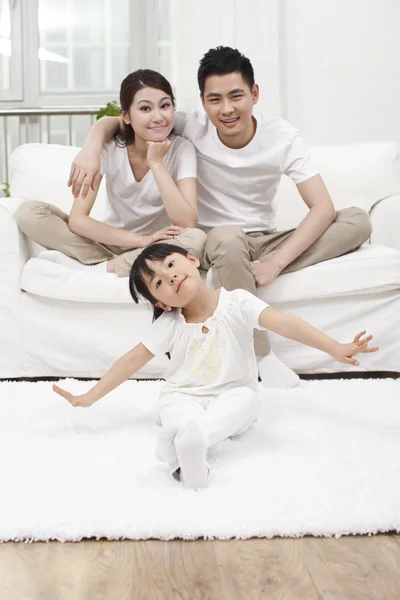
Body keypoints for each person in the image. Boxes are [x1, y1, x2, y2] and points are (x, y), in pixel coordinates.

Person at [65, 46, 372, 388]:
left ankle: (244, 268)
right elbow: (121, 119)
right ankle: (260, 357)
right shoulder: (188, 125)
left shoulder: (282, 136)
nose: (226, 109)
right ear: (202, 101)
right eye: (215, 99)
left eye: (236, 96)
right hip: (212, 241)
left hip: (263, 239)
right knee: (225, 235)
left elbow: (323, 208)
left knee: (357, 220)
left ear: (254, 94)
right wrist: (91, 148)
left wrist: (276, 262)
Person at [53, 243, 378, 491]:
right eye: (159, 284)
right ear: (162, 303)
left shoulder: (237, 302)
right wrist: (90, 396)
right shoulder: (169, 323)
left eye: (170, 265)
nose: (170, 277)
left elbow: (283, 323)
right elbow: (131, 360)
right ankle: (188, 446)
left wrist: (334, 347)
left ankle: (193, 441)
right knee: (178, 413)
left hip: (232, 392)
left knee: (245, 402)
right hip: (182, 394)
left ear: (192, 260)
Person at [14, 70, 206, 277]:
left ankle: (102, 266)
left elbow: (186, 223)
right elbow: (78, 220)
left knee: (195, 239)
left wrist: (156, 163)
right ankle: (117, 264)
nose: (158, 116)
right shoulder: (110, 148)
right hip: (114, 241)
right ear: (126, 116)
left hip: (159, 246)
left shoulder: (182, 149)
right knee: (28, 212)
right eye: (145, 108)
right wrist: (142, 240)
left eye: (165, 105)